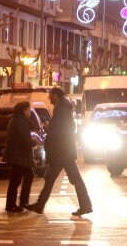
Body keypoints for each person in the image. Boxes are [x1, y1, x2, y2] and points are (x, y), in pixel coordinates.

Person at [26, 87, 93, 216]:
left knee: (69, 180)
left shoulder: (62, 109)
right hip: (63, 151)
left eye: (50, 95)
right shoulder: (62, 107)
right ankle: (40, 205)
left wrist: (50, 130)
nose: (49, 97)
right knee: (52, 179)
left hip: (62, 152)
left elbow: (60, 130)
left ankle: (85, 205)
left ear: (55, 95)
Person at [3, 101, 35, 213]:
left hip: (18, 155)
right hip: (19, 156)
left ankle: (20, 202)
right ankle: (14, 204)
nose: (30, 111)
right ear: (24, 110)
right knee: (17, 180)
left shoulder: (17, 120)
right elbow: (24, 140)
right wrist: (33, 142)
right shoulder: (20, 121)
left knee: (21, 178)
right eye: (28, 109)